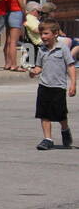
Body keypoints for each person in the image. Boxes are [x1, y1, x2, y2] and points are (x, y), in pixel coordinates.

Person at [28, 21, 76, 150]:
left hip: (59, 87)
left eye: (46, 33)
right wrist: (34, 72)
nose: (43, 37)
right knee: (44, 114)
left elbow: (70, 66)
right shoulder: (42, 50)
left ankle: (65, 129)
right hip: (44, 86)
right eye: (41, 34)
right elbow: (39, 67)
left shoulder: (63, 48)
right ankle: (47, 139)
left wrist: (73, 84)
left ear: (55, 34)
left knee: (60, 114)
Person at [3, 0, 27, 71]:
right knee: (14, 42)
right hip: (16, 14)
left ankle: (7, 63)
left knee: (8, 41)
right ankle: (14, 64)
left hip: (8, 13)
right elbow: (22, 5)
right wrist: (25, 16)